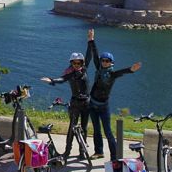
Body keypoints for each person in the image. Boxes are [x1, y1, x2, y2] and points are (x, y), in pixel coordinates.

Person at [86, 28, 141, 159]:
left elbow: (122, 72)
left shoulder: (112, 74)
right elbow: (95, 54)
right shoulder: (99, 68)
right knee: (96, 130)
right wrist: (91, 40)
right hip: (92, 104)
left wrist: (131, 70)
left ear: (111, 63)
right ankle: (99, 151)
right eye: (103, 60)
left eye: (107, 61)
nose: (104, 62)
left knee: (108, 132)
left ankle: (115, 156)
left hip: (103, 106)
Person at [40, 52, 91, 162]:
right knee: (72, 128)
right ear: (71, 63)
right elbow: (63, 79)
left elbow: (89, 56)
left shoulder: (84, 69)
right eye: (74, 62)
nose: (76, 64)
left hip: (86, 103)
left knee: (84, 128)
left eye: (79, 62)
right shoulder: (70, 73)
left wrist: (90, 42)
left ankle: (82, 151)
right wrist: (52, 80)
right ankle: (67, 151)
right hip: (75, 103)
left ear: (82, 63)